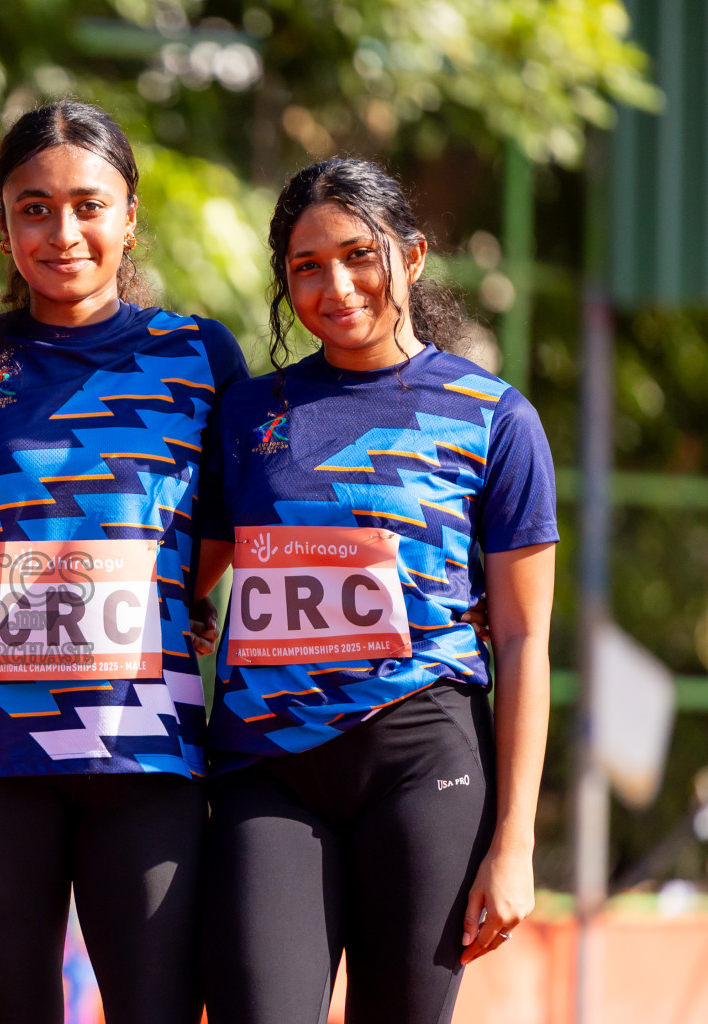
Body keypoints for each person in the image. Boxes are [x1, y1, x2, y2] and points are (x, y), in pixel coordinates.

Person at [196, 157, 556, 1024]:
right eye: (307, 266)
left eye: (360, 255)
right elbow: (189, 570)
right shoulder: (247, 415)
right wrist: (192, 609)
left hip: (423, 764)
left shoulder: (495, 417)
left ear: (414, 256)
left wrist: (516, 842)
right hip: (267, 772)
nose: (338, 285)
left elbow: (523, 640)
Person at [0, 100, 247, 1024]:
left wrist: (167, 596)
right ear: (5, 223)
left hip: (149, 757)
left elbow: (218, 531)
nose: (63, 232)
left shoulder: (199, 354)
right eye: (34, 208)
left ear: (130, 215)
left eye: (89, 206)